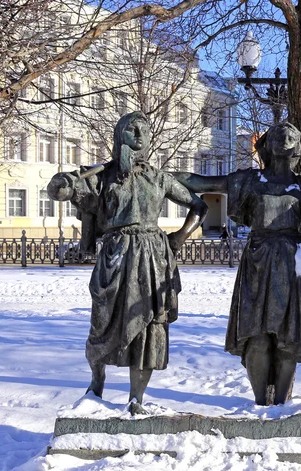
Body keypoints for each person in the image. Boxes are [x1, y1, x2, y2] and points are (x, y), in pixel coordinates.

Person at [47, 112, 207, 415]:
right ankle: (97, 382)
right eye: (132, 129)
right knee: (102, 322)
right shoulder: (102, 177)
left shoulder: (158, 178)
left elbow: (199, 205)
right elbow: (63, 192)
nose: (139, 134)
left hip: (152, 257)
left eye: (144, 130)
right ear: (120, 134)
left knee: (148, 326)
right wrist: (62, 182)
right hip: (116, 255)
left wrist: (179, 238)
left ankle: (137, 398)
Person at [174, 122, 301, 405]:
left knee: (288, 339)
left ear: (298, 147)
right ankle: (261, 404)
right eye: (278, 135)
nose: (284, 140)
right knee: (256, 338)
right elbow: (200, 183)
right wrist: (157, 176)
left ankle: (280, 405)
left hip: (293, 265)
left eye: (291, 136)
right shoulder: (249, 181)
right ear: (267, 143)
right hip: (257, 262)